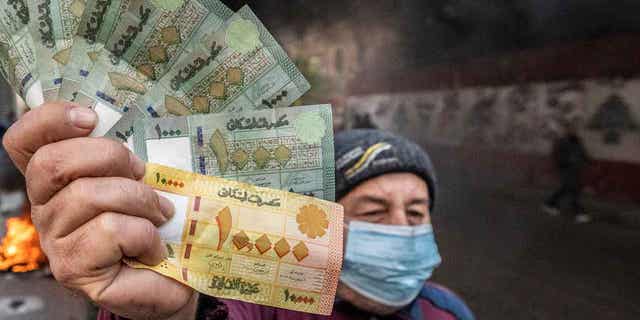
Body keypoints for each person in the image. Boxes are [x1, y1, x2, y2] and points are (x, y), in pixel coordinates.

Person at [3, 103, 473, 320]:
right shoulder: (261, 304)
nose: (401, 230)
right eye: (373, 210)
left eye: (417, 213)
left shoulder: (447, 311)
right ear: (320, 222)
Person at [542, 122, 592, 223]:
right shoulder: (562, 142)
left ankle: (549, 204)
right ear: (566, 130)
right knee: (573, 189)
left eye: (574, 129)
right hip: (566, 170)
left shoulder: (578, 141)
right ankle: (580, 213)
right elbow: (556, 156)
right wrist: (566, 161)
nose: (573, 131)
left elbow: (583, 153)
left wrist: (588, 161)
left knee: (565, 189)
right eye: (571, 129)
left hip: (576, 170)